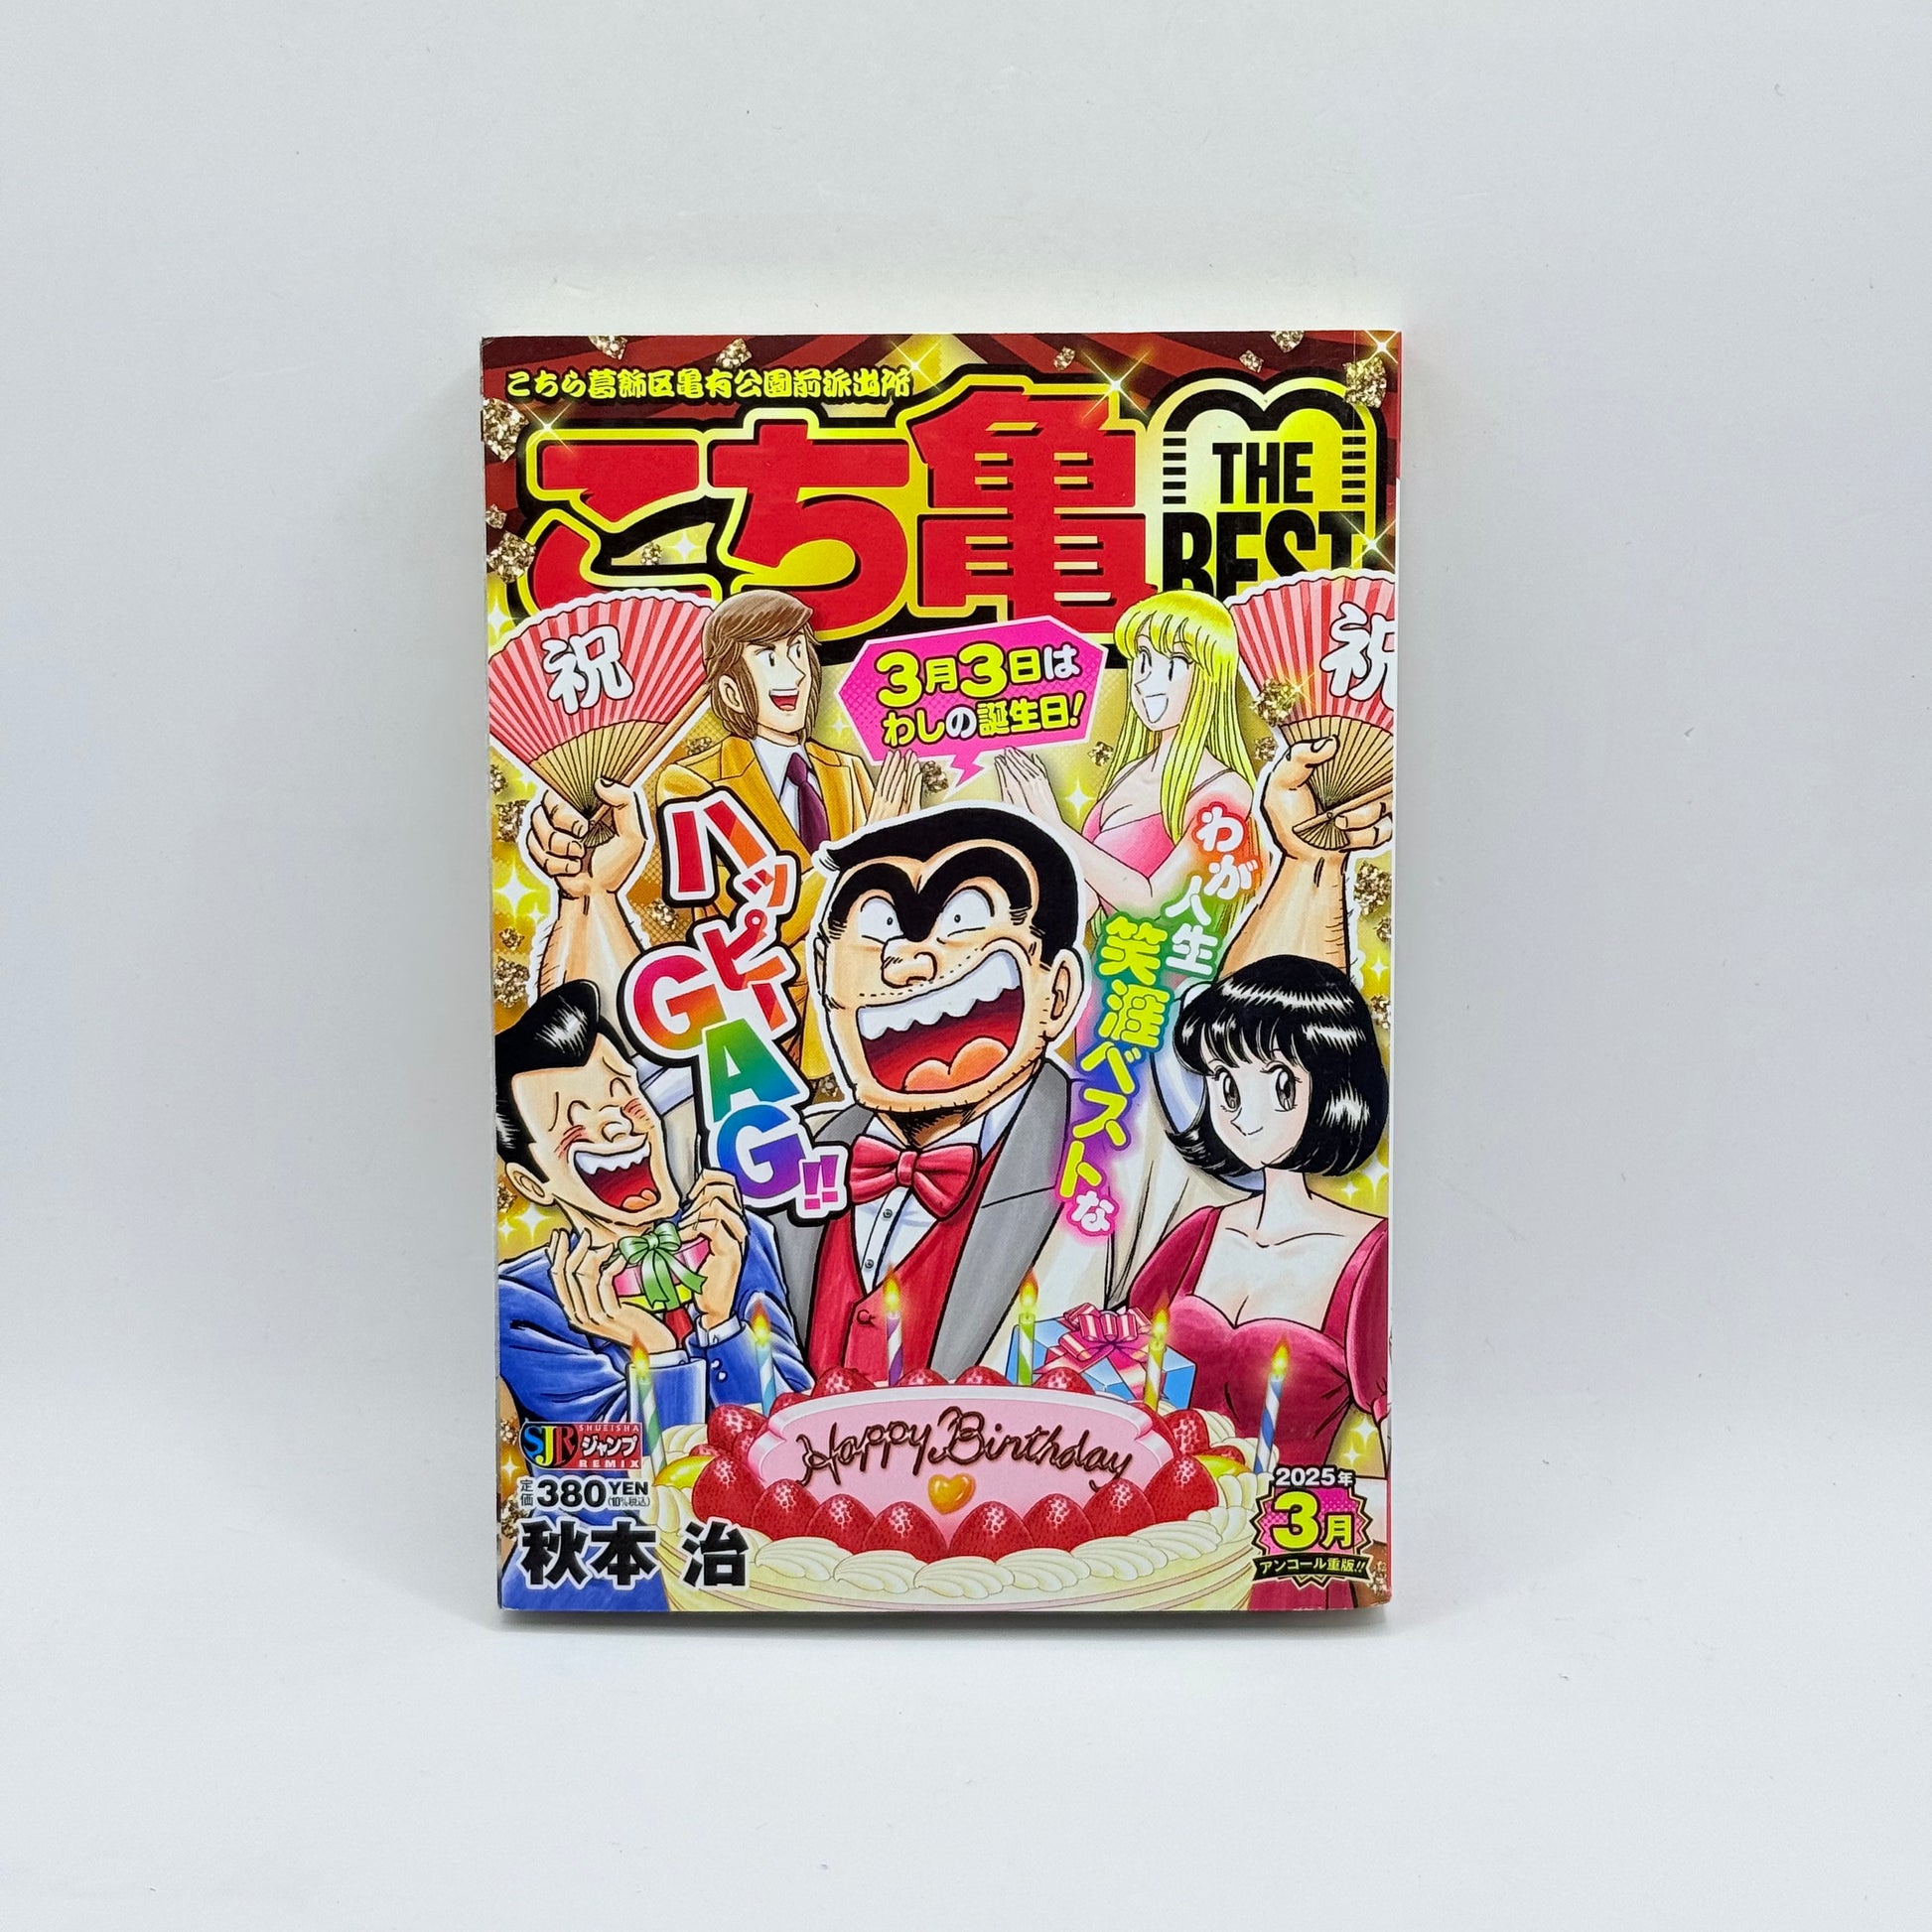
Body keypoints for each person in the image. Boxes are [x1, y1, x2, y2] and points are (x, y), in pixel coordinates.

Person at [533, 794, 1095, 1379]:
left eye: (962, 922)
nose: (908, 962)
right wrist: (588, 901)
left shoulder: (1109, 1162)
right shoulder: (779, 1155)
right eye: (878, 927)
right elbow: (602, 1061)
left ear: (1056, 993)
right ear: (825, 976)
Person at [1123, 955, 1387, 1609]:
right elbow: (1121, 1379)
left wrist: (1319, 1515)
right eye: (1225, 1084)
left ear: (1333, 1088)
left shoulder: (1369, 1257)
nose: (1244, 1114)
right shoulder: (1197, 1237)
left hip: (1288, 1558)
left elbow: (1405, 1469)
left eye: (1280, 1085)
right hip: (1166, 1550)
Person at [625, 587, 918, 1089]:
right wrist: (864, 847)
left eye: (799, 651)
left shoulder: (848, 771)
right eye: (769, 656)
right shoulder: (691, 784)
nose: (796, 672)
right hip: (760, 1035)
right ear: (732, 689)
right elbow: (756, 920)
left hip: (864, 1023)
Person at [494, 981, 807, 1430]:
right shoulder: (523, 1305)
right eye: (573, 1121)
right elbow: (614, 1464)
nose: (617, 1125)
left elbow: (796, 1428)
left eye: (623, 1092)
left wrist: (721, 1324)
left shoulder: (732, 1237)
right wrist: (656, 1351)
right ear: (533, 1182)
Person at [996, 588, 1255, 921]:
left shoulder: (1227, 793)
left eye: (1175, 662)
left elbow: (1156, 905)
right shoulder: (1128, 773)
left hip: (1177, 954)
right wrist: (1031, 829)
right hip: (1106, 951)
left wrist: (1054, 823)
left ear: (1210, 676)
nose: (1146, 680)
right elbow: (1084, 899)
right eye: (1143, 657)